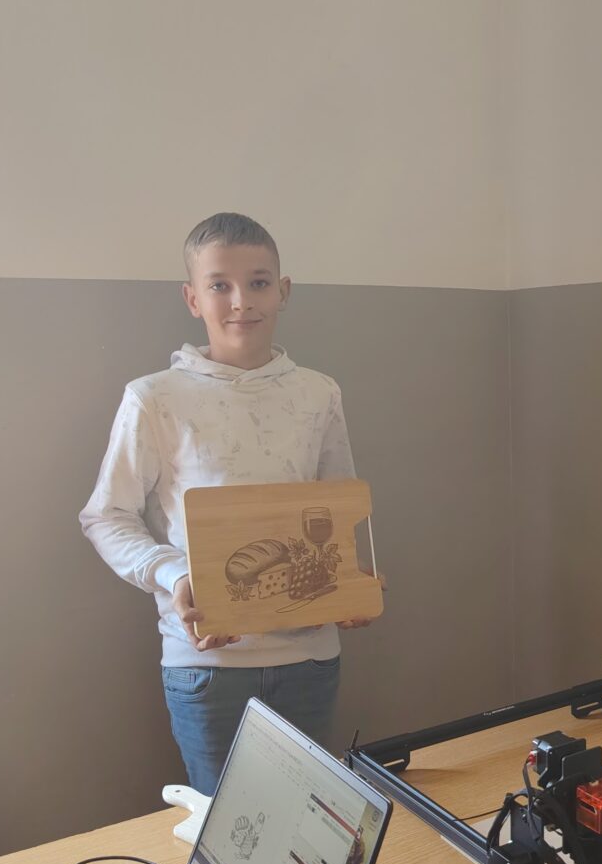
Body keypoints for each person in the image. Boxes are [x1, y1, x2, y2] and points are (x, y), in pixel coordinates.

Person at [80, 212, 379, 794]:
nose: (241, 301)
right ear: (193, 298)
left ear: (283, 291)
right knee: (222, 829)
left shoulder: (318, 393)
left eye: (258, 282)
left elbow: (336, 511)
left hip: (310, 659)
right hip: (207, 666)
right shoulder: (154, 398)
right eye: (220, 285)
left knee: (306, 823)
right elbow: (105, 516)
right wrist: (175, 573)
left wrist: (349, 585)